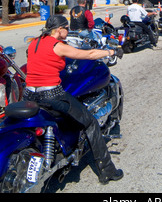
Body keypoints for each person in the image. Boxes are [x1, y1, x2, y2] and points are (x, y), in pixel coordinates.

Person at [22, 14, 123, 185]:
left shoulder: (34, 43)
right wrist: (111, 51)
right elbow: (89, 54)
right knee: (90, 122)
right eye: (66, 28)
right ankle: (108, 171)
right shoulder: (57, 46)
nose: (68, 31)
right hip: (51, 96)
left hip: (29, 95)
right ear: (58, 29)